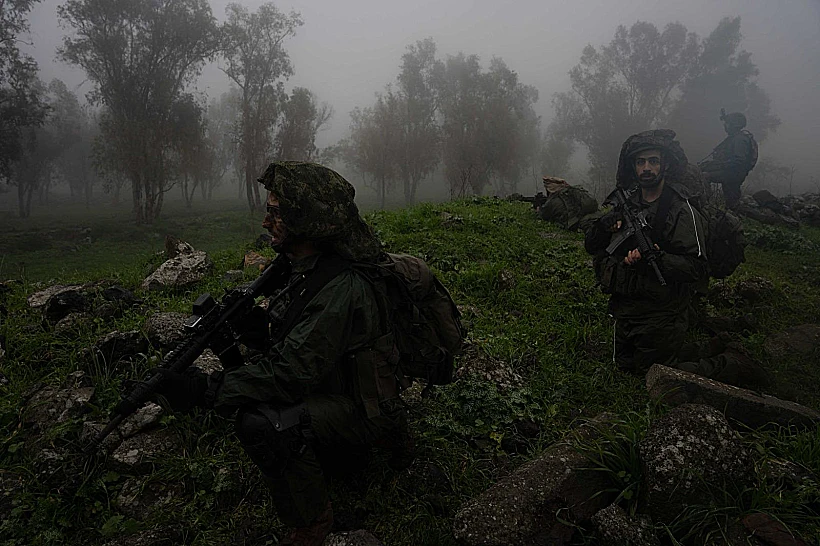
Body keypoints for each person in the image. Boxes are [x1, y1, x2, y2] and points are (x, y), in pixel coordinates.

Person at [148, 161, 412, 546]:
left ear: (304, 220)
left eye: (275, 213)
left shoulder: (341, 286)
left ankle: (311, 524)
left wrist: (206, 389)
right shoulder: (305, 265)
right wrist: (260, 330)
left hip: (365, 407)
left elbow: (290, 373)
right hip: (340, 385)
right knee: (260, 396)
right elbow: (303, 344)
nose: (265, 222)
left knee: (264, 423)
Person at [585, 130, 709, 375]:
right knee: (623, 369)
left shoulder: (681, 210)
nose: (647, 168)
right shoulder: (625, 204)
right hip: (626, 309)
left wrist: (655, 259)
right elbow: (592, 246)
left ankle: (728, 361)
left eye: (653, 161)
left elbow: (697, 268)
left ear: (665, 166)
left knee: (655, 374)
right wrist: (605, 225)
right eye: (640, 162)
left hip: (663, 311)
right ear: (633, 167)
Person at [699, 111, 757, 209]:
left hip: (734, 173)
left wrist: (719, 165)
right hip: (732, 172)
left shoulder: (739, 140)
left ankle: (705, 206)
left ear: (734, 125)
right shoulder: (736, 138)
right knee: (732, 201)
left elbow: (739, 161)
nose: (725, 126)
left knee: (705, 177)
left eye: (728, 123)